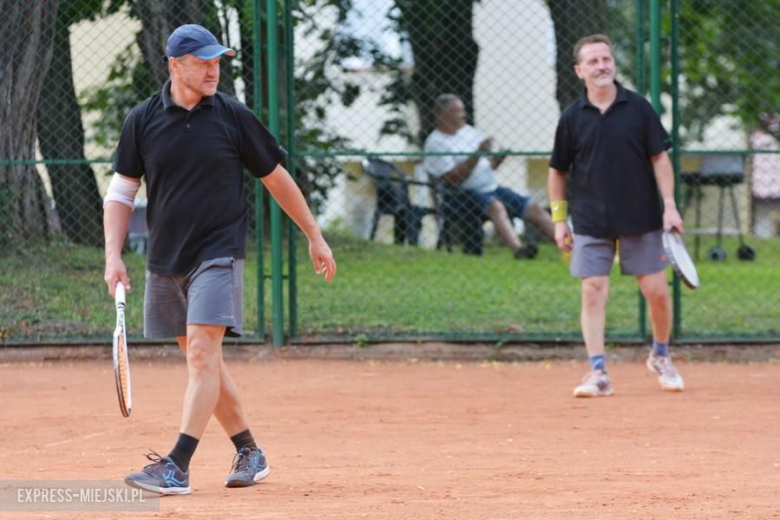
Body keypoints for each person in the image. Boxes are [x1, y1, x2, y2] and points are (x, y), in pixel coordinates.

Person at [103, 24, 336, 495]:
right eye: (203, 62)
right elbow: (122, 192)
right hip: (167, 257)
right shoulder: (142, 119)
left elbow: (276, 178)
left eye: (217, 63)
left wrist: (314, 235)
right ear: (175, 65)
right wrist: (112, 255)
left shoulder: (233, 116)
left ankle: (177, 466)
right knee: (203, 360)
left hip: (219, 251)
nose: (213, 71)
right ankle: (250, 450)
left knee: (202, 353)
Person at [547, 34, 684, 397]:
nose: (601, 66)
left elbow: (660, 158)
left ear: (614, 64)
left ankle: (660, 354)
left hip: (641, 215)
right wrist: (559, 220)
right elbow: (557, 171)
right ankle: (598, 372)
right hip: (591, 220)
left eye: (606, 59)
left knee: (656, 293)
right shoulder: (571, 118)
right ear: (579, 71)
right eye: (592, 61)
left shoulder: (638, 108)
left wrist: (670, 205)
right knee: (592, 290)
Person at [424, 94, 555, 258]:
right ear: (442, 115)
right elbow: (452, 179)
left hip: (490, 188)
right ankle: (519, 250)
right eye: (457, 111)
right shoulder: (436, 142)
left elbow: (490, 165)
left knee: (533, 208)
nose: (463, 115)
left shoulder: (468, 132)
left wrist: (499, 158)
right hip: (460, 194)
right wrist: (477, 154)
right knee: (496, 206)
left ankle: (569, 246)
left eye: (462, 110)